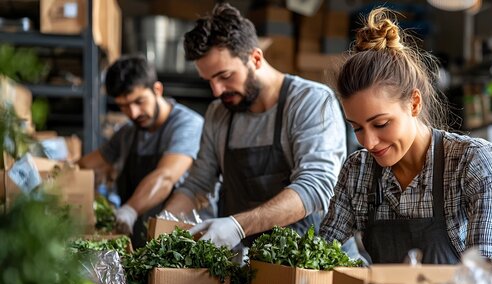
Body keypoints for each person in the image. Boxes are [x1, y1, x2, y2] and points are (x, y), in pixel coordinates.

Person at [319, 8, 492, 270]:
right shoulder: (358, 170)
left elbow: (487, 272)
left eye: (381, 124)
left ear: (414, 103)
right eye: (357, 128)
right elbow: (322, 250)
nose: (369, 142)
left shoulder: (473, 162)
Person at [163, 3, 347, 249]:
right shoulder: (219, 113)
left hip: (312, 261)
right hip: (251, 265)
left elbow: (316, 187)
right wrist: (163, 224)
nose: (217, 91)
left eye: (225, 76)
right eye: (209, 80)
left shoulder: (310, 101)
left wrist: (238, 226)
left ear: (256, 58)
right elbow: (198, 184)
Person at [79, 55, 204, 247]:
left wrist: (129, 210)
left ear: (157, 89)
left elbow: (165, 176)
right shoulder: (128, 133)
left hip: (184, 244)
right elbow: (86, 164)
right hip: (143, 242)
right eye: (124, 106)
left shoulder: (187, 125)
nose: (133, 113)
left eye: (139, 101)